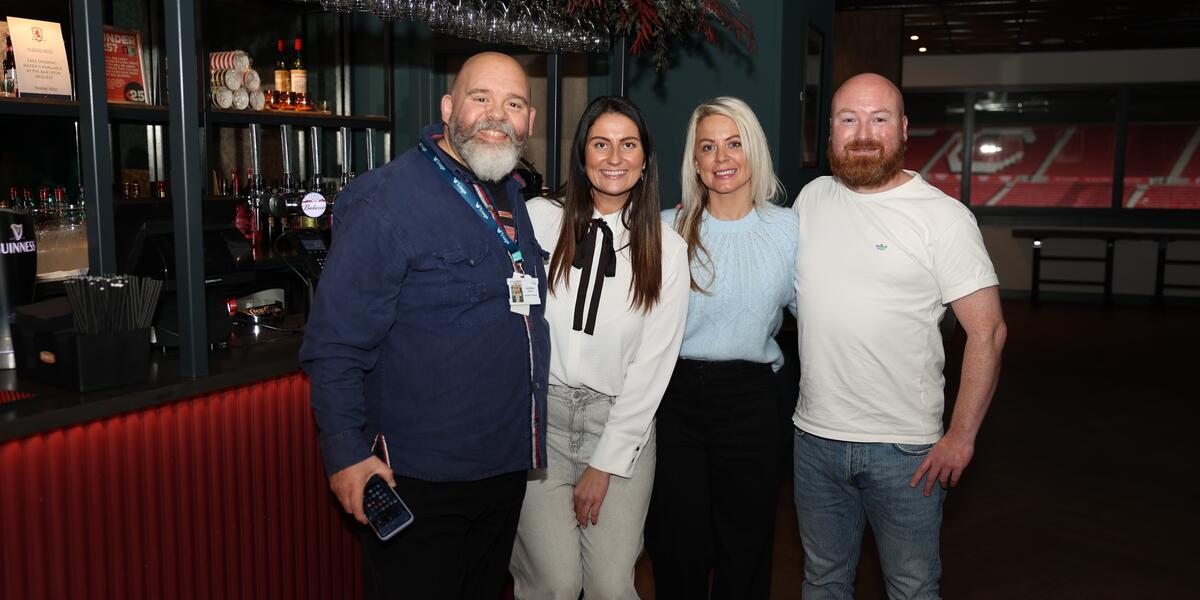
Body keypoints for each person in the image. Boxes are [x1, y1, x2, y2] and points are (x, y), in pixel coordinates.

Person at [299, 52, 549, 600]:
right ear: (448, 106)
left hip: (504, 467)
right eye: (480, 98)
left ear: (530, 121)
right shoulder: (385, 198)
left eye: (513, 103)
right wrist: (344, 451)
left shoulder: (508, 189)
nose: (496, 115)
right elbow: (336, 342)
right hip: (418, 479)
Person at [790, 72, 1007, 599]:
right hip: (815, 440)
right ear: (830, 132)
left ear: (904, 130)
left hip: (906, 450)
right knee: (822, 581)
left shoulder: (943, 218)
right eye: (848, 118)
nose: (863, 132)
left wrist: (961, 436)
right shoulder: (811, 199)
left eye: (879, 119)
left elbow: (989, 332)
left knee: (911, 587)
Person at [509, 95, 690, 599]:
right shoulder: (538, 219)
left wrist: (606, 462)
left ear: (645, 158)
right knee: (554, 584)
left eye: (628, 144)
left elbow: (654, 370)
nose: (614, 157)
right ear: (582, 154)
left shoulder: (667, 248)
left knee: (612, 586)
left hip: (620, 421)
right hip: (541, 418)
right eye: (601, 144)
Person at [646, 96, 798, 600]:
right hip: (676, 400)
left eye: (734, 144)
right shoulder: (667, 227)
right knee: (677, 546)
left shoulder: (790, 230)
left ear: (754, 150)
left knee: (746, 548)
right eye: (707, 147)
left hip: (753, 401)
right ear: (694, 161)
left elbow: (823, 317)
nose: (722, 158)